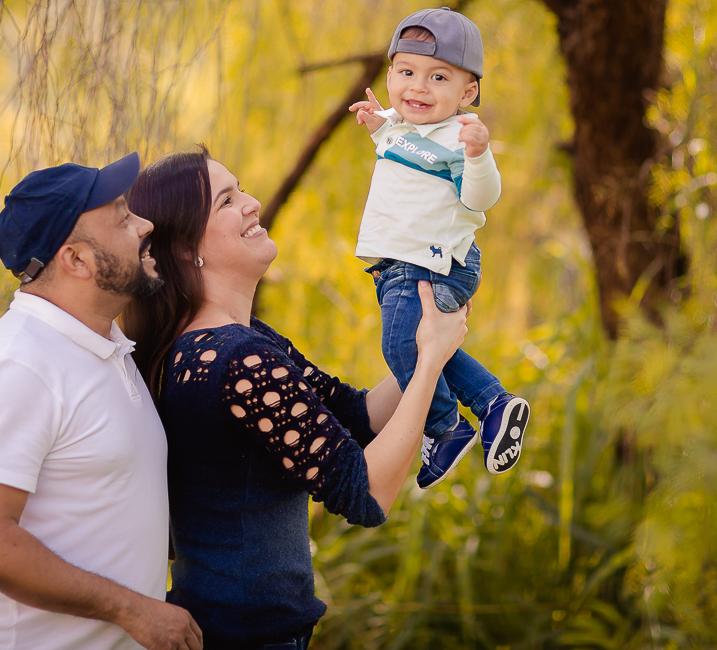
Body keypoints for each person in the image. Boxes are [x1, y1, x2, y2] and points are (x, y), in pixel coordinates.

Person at [121, 149, 469, 650]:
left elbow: (358, 415)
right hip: (244, 639)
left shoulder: (233, 343)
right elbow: (367, 494)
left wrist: (426, 344)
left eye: (240, 188)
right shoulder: (236, 360)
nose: (252, 203)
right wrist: (431, 363)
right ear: (184, 247)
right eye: (226, 201)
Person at [0, 152, 203, 650]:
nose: (145, 223)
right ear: (76, 259)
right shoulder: (15, 368)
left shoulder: (107, 349)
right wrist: (133, 609)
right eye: (122, 216)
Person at [348, 6, 531, 489]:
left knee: (400, 345)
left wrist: (478, 155)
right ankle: (493, 404)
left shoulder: (458, 137)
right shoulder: (401, 127)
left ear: (467, 93)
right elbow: (400, 150)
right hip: (397, 266)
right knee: (432, 349)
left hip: (427, 262)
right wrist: (376, 123)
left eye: (438, 77)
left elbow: (480, 198)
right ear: (390, 76)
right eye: (406, 73)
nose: (418, 88)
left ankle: (446, 429)